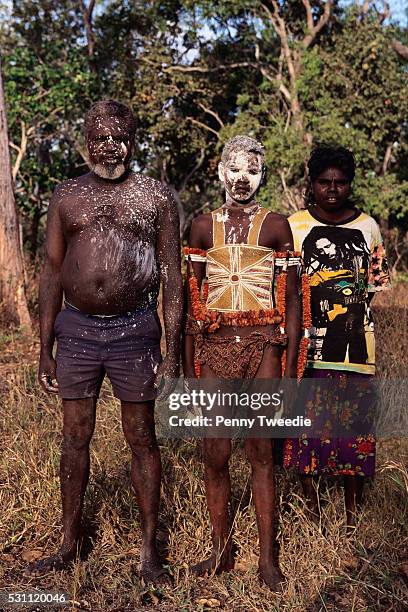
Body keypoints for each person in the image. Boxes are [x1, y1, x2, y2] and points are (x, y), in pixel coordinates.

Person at [28, 100, 183, 585]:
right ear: (86, 142)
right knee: (75, 437)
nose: (109, 146)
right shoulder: (67, 196)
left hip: (135, 331)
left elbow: (172, 278)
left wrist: (173, 351)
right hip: (76, 331)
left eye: (118, 137)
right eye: (99, 138)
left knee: (141, 438)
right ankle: (69, 543)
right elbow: (52, 272)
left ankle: (148, 553)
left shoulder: (155, 197)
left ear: (133, 142)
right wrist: (43, 346)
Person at [183, 135, 304, 590]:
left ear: (263, 176)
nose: (241, 178)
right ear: (219, 171)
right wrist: (188, 370)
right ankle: (220, 551)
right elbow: (192, 305)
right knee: (214, 453)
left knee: (261, 453)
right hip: (214, 350)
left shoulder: (276, 226)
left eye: (251, 170)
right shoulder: (200, 227)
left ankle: (267, 560)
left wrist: (290, 365)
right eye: (234, 168)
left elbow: (292, 298)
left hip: (264, 349)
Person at [284, 145, 390, 530]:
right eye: (325, 182)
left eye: (341, 183)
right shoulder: (293, 226)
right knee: (306, 429)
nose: (333, 190)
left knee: (354, 430)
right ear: (312, 184)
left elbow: (374, 285)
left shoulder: (368, 227)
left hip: (356, 344)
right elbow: (287, 287)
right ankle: (311, 512)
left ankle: (352, 517)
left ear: (350, 184)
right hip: (307, 346)